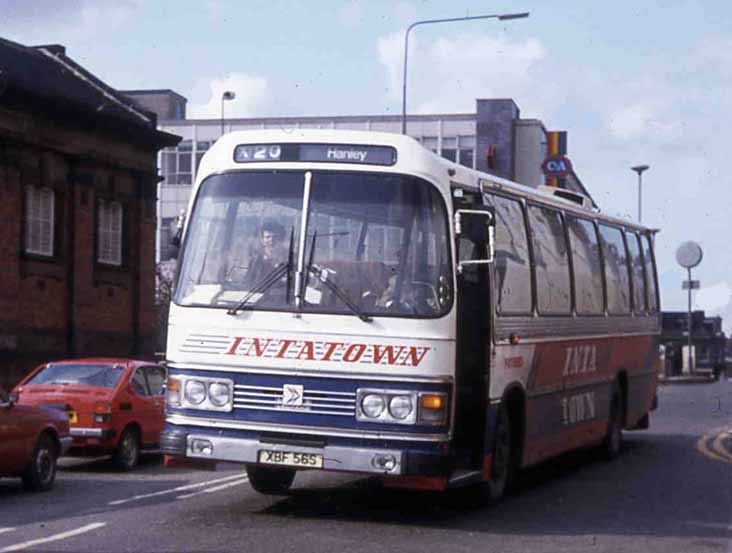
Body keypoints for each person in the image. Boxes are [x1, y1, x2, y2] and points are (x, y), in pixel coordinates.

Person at [245, 221, 287, 287]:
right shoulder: (255, 261)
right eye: (267, 237)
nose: (271, 240)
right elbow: (248, 283)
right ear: (262, 240)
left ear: (281, 239)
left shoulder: (288, 261)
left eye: (275, 237)